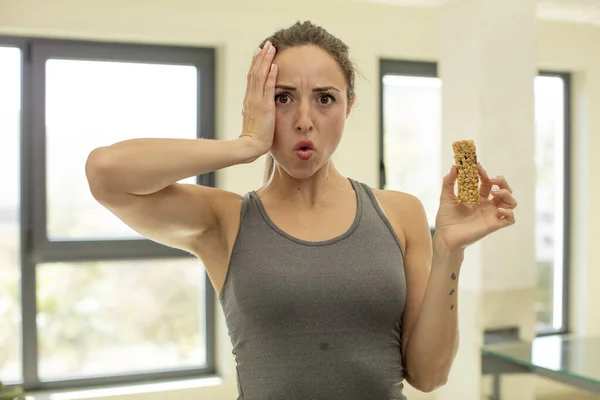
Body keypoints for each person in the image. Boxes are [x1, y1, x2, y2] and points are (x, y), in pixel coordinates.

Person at [85, 20, 518, 400]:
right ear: (257, 104)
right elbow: (106, 172)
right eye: (283, 98)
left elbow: (429, 375)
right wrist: (245, 145)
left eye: (325, 99)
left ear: (350, 106)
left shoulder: (400, 213)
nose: (303, 119)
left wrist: (450, 250)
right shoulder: (226, 221)